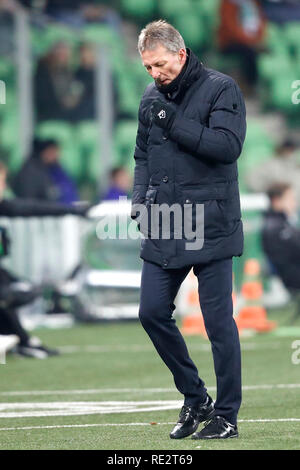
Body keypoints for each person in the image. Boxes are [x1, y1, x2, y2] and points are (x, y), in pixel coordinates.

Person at [131, 21, 246, 440]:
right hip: (164, 223)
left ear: (180, 54)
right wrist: (138, 197)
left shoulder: (221, 88)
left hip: (211, 221)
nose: (154, 74)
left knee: (218, 323)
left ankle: (227, 416)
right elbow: (142, 154)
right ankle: (196, 399)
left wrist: (172, 120)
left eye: (159, 65)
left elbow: (227, 147)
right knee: (150, 312)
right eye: (148, 68)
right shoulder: (150, 97)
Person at [0, 161, 88, 358]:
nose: (4, 187)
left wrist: (72, 210)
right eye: (2, 181)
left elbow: (32, 208)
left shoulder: (3, 205)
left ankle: (22, 341)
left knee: (15, 289)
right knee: (10, 292)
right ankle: (21, 340)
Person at [218, 0, 266, 93]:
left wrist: (257, 40)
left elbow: (261, 22)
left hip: (250, 42)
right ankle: (249, 86)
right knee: (249, 52)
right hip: (230, 42)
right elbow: (230, 29)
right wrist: (250, 41)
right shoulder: (229, 3)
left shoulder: (254, 3)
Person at [13, 138, 79, 204]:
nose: (57, 155)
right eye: (53, 152)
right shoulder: (30, 171)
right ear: (44, 152)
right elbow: (29, 200)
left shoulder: (54, 168)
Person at [262, 182, 300, 293]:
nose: (294, 203)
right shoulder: (275, 228)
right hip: (292, 279)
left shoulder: (283, 224)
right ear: (276, 201)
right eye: (290, 199)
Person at [246, 139, 300, 205]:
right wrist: (271, 190)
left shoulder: (296, 168)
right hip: (274, 206)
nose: (291, 153)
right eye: (289, 149)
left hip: (294, 207)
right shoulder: (271, 165)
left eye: (293, 150)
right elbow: (251, 180)